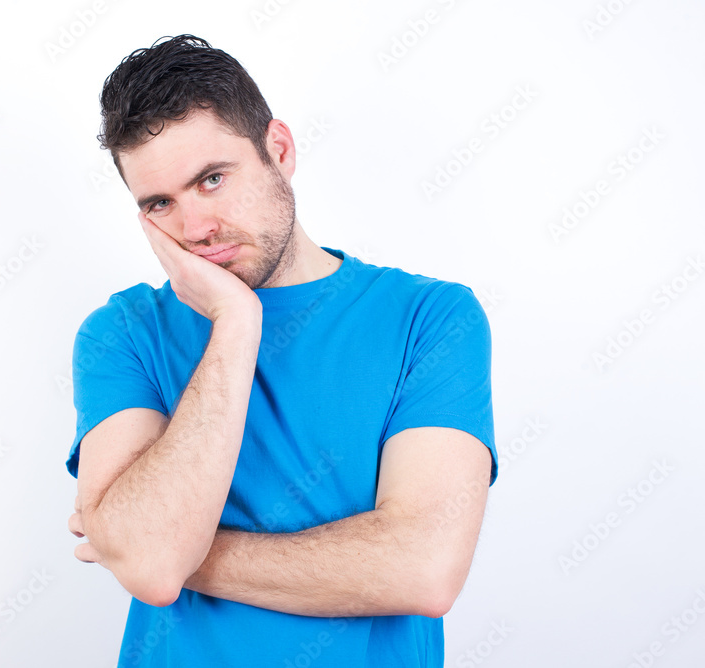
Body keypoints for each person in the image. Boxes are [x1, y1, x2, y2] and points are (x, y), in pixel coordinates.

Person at [65, 34, 498, 667]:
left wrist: (167, 546)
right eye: (161, 203)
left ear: (279, 150)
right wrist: (236, 322)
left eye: (211, 180)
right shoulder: (123, 333)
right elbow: (154, 568)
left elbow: (424, 569)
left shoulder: (429, 317)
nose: (194, 229)